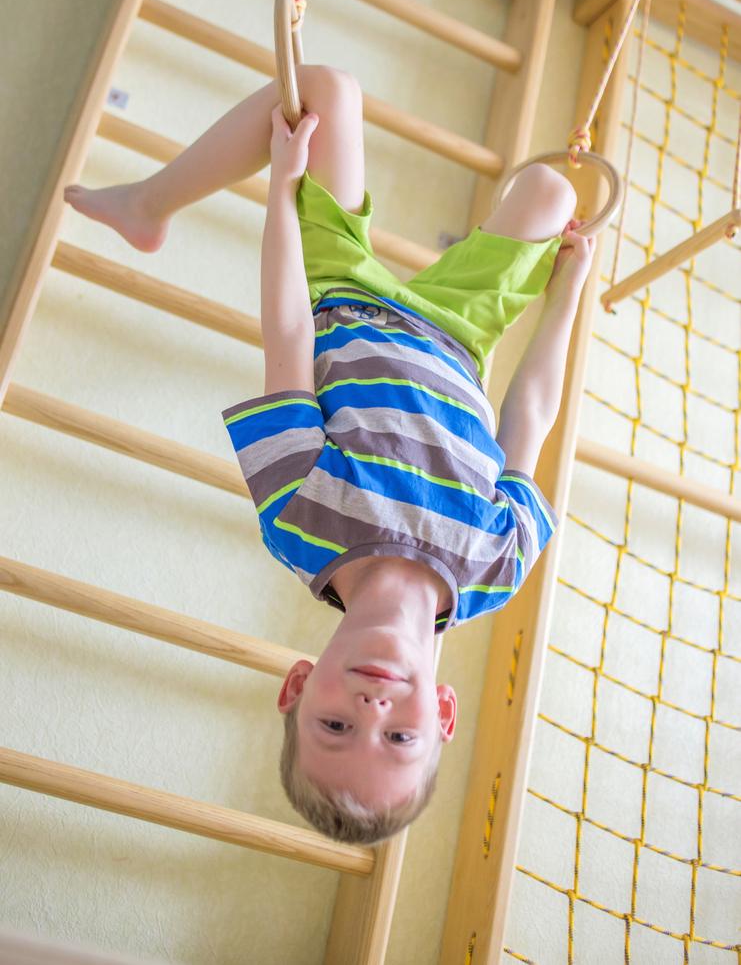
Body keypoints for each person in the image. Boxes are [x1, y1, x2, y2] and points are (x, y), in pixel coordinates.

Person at [64, 64, 595, 846]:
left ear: (298, 687)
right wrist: (568, 293)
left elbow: (286, 338)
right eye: (399, 739)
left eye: (336, 727)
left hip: (342, 289)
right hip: (460, 333)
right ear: (442, 715)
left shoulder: (301, 521)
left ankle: (148, 204)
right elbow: (533, 417)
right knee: (554, 192)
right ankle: (549, 231)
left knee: (323, 89)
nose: (372, 712)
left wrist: (280, 191)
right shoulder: (495, 565)